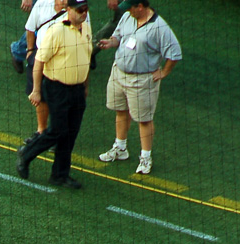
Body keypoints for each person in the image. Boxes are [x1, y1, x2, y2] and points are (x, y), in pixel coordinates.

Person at [95, 0, 181, 175]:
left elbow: (174, 53)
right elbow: (118, 37)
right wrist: (110, 43)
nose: (128, 11)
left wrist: (164, 72)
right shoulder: (127, 17)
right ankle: (120, 149)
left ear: (140, 6)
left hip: (141, 80)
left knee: (144, 119)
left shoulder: (160, 27)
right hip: (119, 73)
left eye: (131, 8)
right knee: (120, 110)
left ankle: (146, 157)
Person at [17, 0, 94, 188]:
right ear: (68, 10)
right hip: (57, 88)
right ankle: (26, 155)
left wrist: (84, 86)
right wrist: (36, 90)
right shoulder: (57, 31)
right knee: (57, 131)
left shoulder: (87, 29)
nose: (84, 13)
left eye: (86, 9)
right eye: (79, 10)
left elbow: (85, 59)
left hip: (77, 90)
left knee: (71, 133)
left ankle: (60, 175)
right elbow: (39, 62)